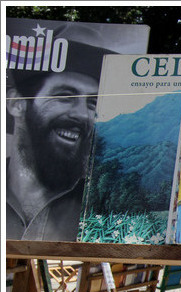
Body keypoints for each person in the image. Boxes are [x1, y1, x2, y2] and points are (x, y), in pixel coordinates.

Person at [6, 29, 113, 240]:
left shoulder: (103, 206)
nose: (82, 115)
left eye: (92, 103)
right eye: (65, 96)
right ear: (17, 104)